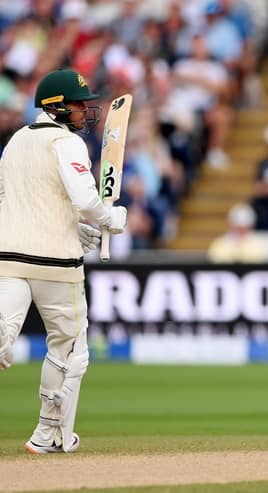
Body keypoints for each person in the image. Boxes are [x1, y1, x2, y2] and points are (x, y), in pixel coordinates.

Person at [0, 69, 127, 453]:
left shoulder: (16, 140)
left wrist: (74, 227)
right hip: (55, 263)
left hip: (6, 257)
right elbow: (88, 201)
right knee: (70, 348)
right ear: (56, 107)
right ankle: (50, 434)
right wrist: (110, 220)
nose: (85, 111)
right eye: (78, 105)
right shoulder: (66, 142)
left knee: (2, 336)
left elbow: (25, 199)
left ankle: (50, 434)